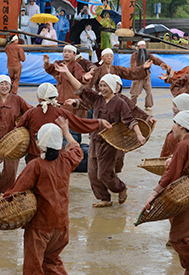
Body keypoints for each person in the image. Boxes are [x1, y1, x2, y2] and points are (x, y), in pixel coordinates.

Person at [61, 67, 152, 207]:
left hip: (110, 142)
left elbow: (130, 120)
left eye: (105, 86)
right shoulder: (97, 99)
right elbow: (81, 89)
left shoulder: (120, 102)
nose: (102, 88)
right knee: (92, 173)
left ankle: (121, 188)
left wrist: (139, 135)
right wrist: (67, 72)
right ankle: (104, 198)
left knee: (104, 174)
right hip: (94, 140)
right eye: (101, 86)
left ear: (112, 87)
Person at [142, 111, 189, 275]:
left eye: (174, 124)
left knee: (178, 239)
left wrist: (153, 195)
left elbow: (171, 175)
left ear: (182, 126)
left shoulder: (184, 145)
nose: (173, 128)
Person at [3, 120, 83, 275]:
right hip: (62, 226)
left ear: (39, 143)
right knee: (51, 261)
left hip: (40, 226)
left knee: (33, 267)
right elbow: (78, 150)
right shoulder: (67, 160)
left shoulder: (36, 165)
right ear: (59, 143)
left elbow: (14, 193)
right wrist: (66, 131)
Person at [130, 41, 171, 110]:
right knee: (135, 93)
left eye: (144, 46)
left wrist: (163, 64)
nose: (143, 47)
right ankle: (131, 106)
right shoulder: (134, 56)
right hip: (138, 77)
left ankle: (148, 106)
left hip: (147, 76)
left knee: (149, 92)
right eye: (142, 46)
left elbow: (156, 60)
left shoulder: (148, 55)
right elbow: (133, 67)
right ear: (138, 47)